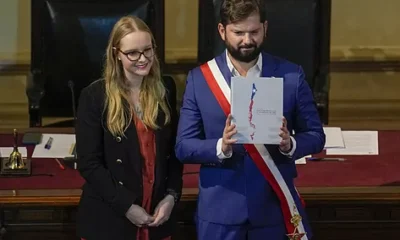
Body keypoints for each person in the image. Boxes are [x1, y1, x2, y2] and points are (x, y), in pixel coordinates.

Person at [175, 0, 326, 239]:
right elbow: (184, 146)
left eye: (254, 32)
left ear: (265, 28)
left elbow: (316, 136)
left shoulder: (291, 75)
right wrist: (220, 145)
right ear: (222, 31)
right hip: (220, 213)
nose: (247, 40)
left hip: (273, 208)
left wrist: (290, 144)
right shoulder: (199, 79)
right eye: (238, 32)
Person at [75, 15, 183, 240]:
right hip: (111, 218)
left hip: (157, 216)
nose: (143, 59)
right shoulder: (95, 96)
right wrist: (127, 207)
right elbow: (89, 163)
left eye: (148, 50)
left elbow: (174, 153)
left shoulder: (166, 89)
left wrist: (171, 197)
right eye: (133, 53)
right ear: (116, 54)